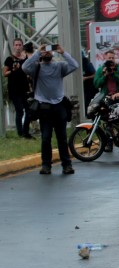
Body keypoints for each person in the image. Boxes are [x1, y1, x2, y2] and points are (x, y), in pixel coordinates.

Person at [22, 44, 79, 175]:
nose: (47, 53)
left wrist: (62, 52)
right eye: (44, 51)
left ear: (53, 53)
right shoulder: (36, 67)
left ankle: (67, 165)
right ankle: (46, 165)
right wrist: (37, 53)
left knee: (62, 138)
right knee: (46, 137)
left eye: (49, 51)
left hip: (59, 105)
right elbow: (24, 67)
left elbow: (75, 65)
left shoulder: (59, 66)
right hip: (44, 106)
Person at [4, 38, 33, 138]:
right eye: (16, 45)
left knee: (29, 110)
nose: (18, 47)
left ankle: (26, 131)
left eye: (20, 45)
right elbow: (5, 73)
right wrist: (13, 70)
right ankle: (20, 133)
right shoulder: (10, 59)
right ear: (13, 46)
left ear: (22, 46)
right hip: (14, 89)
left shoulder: (25, 58)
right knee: (19, 110)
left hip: (24, 88)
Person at [81, 50, 97, 115]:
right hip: (83, 88)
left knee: (88, 101)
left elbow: (95, 74)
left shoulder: (87, 63)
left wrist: (85, 78)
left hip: (90, 87)